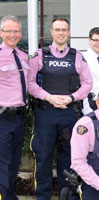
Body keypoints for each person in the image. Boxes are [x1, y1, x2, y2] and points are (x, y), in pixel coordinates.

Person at [27, 17, 92, 199]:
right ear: (52, 32)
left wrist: (71, 98)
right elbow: (29, 82)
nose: (61, 33)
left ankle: (68, 197)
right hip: (45, 113)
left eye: (64, 29)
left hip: (69, 113)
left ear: (69, 32)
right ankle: (43, 196)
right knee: (43, 158)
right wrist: (49, 97)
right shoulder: (41, 55)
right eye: (57, 29)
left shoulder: (77, 56)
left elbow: (88, 83)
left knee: (69, 159)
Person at [0, 15, 29, 200]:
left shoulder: (23, 56)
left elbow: (30, 84)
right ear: (1, 33)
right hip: (3, 118)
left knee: (13, 164)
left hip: (20, 117)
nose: (13, 34)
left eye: (16, 31)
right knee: (3, 165)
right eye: (8, 31)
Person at [82, 27, 99, 115]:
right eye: (96, 40)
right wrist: (88, 112)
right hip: (89, 109)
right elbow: (81, 88)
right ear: (89, 40)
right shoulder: (83, 59)